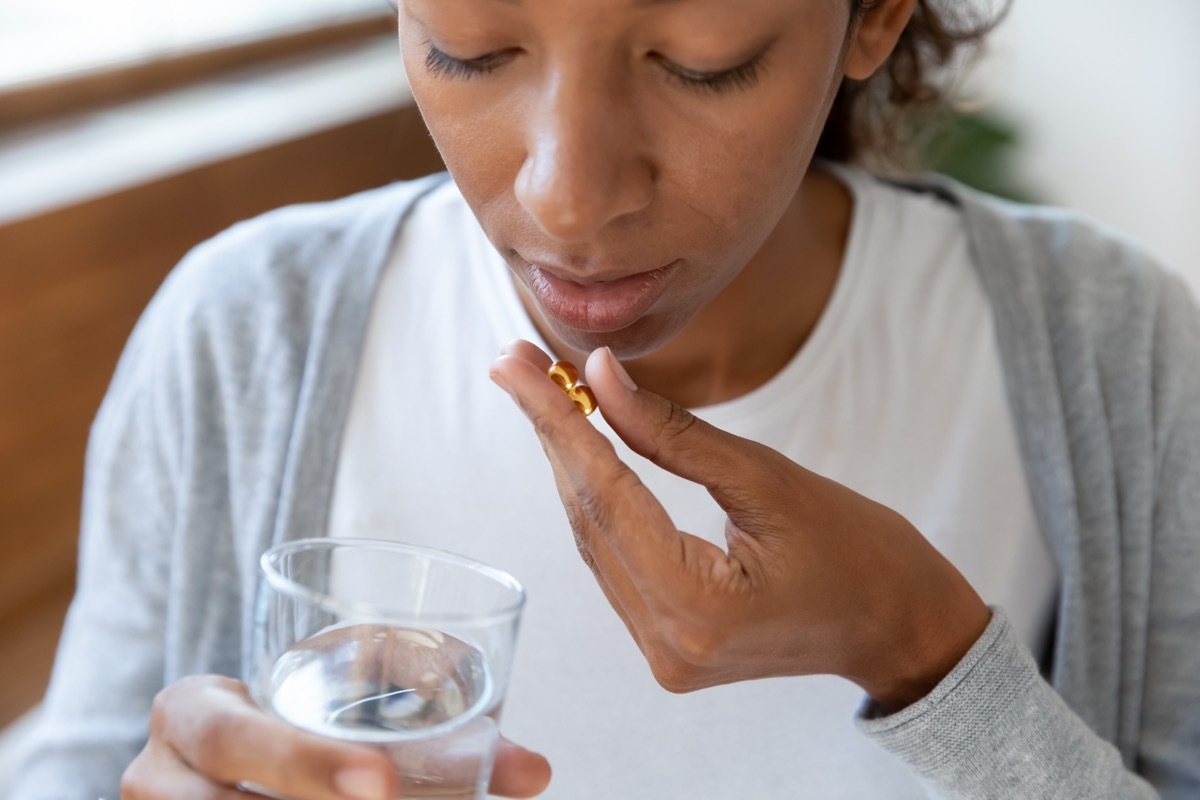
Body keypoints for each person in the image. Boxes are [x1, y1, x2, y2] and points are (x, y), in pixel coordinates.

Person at [11, 0, 1199, 797]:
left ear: (876, 13)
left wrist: (922, 646)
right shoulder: (246, 332)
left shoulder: (1112, 356)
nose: (568, 198)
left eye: (702, 62)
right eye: (470, 45)